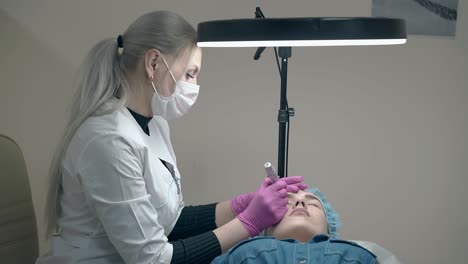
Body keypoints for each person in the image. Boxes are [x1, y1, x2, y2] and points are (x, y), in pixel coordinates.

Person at [43, 11, 307, 264]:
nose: (193, 85)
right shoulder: (108, 141)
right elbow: (154, 260)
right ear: (153, 63)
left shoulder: (155, 124)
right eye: (189, 74)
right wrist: (249, 222)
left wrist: (238, 207)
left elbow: (170, 221)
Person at [212, 188, 401, 264]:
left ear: (330, 226)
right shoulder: (242, 254)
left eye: (312, 203)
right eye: (287, 203)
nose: (300, 204)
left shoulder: (358, 256)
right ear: (264, 226)